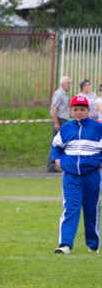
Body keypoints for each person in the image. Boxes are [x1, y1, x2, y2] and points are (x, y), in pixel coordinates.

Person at [51, 95, 102, 254]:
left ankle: (92, 245)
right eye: (75, 109)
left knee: (91, 209)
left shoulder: (97, 128)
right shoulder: (66, 128)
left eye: (82, 109)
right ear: (70, 111)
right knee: (70, 207)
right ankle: (64, 244)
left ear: (88, 110)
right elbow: (56, 146)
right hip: (71, 176)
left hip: (92, 175)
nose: (79, 112)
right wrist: (57, 159)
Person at [49, 76, 72, 172]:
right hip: (60, 120)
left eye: (70, 83)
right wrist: (56, 122)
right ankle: (51, 165)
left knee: (64, 143)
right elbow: (54, 108)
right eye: (68, 83)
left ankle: (60, 164)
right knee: (56, 143)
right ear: (62, 84)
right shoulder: (58, 94)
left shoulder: (65, 95)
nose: (69, 86)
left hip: (64, 120)